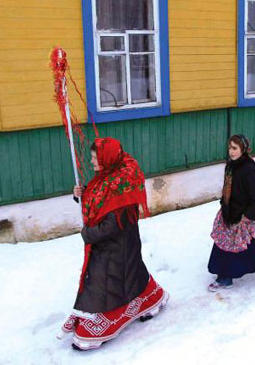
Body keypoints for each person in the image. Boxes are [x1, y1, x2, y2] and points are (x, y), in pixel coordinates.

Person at [60, 138, 169, 351]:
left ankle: (110, 315)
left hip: (118, 245)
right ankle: (148, 298)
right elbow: (98, 199)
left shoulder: (121, 182)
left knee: (110, 279)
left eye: (94, 158)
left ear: (106, 158)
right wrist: (82, 193)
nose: (92, 162)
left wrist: (88, 234)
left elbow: (111, 223)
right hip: (111, 245)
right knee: (124, 275)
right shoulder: (108, 175)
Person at [207, 134, 255, 291]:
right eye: (229, 148)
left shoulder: (249, 168)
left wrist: (248, 216)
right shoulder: (231, 165)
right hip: (229, 213)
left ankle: (225, 277)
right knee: (224, 243)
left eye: (235, 148)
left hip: (242, 216)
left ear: (243, 149)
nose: (231, 152)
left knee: (245, 245)